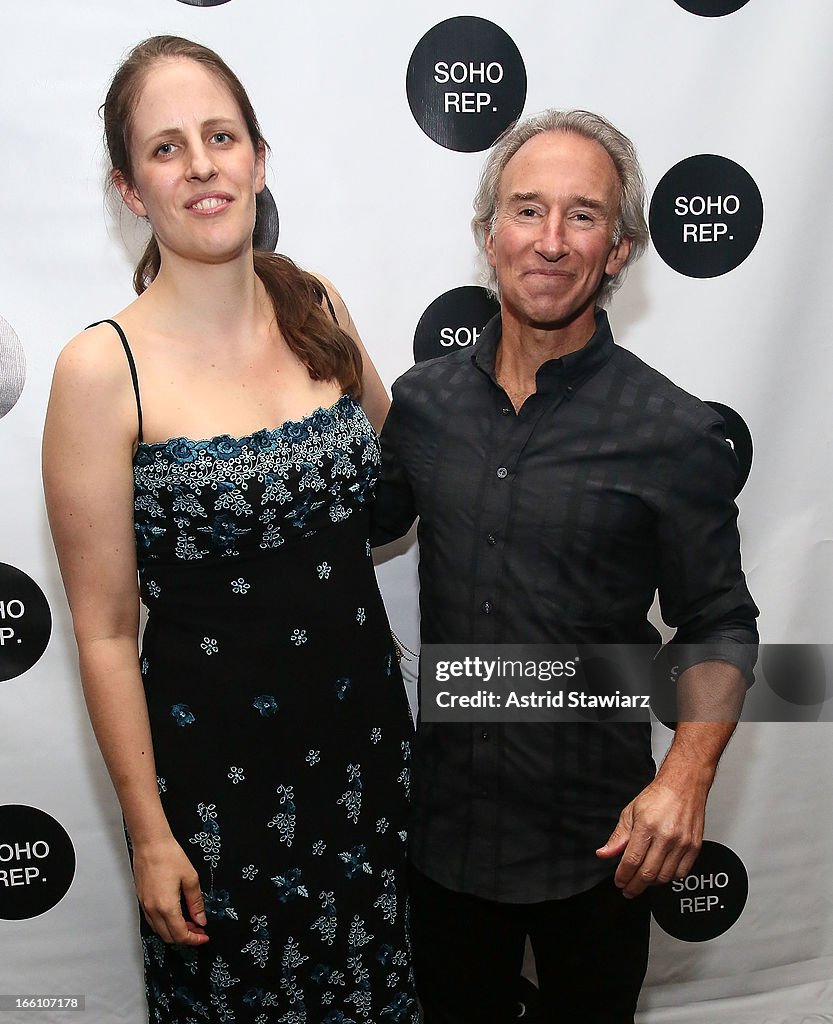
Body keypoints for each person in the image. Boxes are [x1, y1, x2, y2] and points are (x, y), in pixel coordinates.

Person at [43, 35, 417, 1024]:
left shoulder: (317, 305)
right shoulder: (100, 369)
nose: (201, 164)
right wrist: (151, 835)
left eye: (220, 135)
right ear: (129, 189)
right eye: (166, 148)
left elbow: (396, 494)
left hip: (368, 768)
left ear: (257, 156)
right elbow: (103, 631)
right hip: (213, 804)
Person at [371, 109, 758, 1023]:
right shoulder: (421, 407)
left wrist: (685, 777)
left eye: (581, 216)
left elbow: (718, 623)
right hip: (445, 839)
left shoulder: (673, 432)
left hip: (598, 843)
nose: (549, 241)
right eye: (526, 210)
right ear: (487, 233)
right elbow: (349, 529)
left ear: (620, 248)